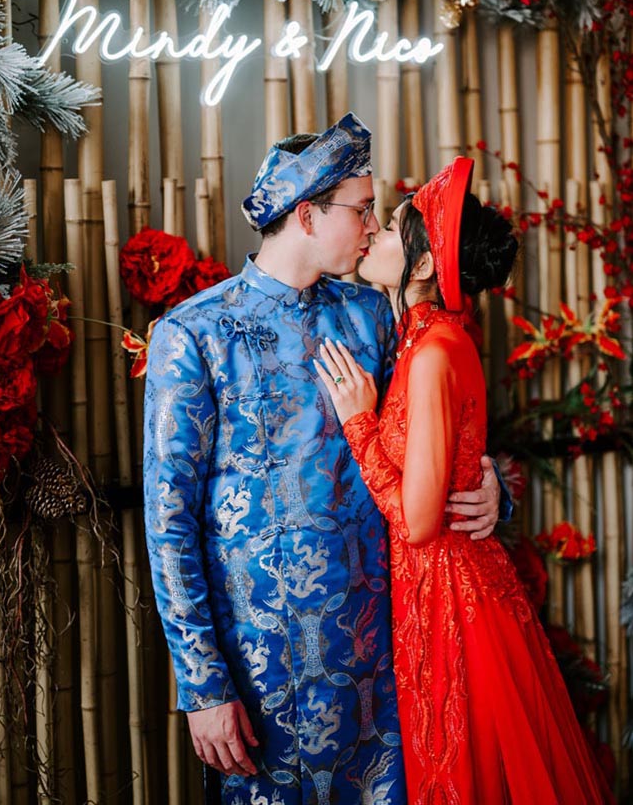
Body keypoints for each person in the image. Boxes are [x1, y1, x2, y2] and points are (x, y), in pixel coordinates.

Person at [143, 114, 506, 805]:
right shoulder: (195, 335)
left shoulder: (374, 316)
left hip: (383, 667)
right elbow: (169, 524)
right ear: (307, 215)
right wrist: (202, 683)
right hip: (259, 677)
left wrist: (493, 491)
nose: (373, 226)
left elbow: (434, 439)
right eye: (363, 209)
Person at [315, 155, 613, 804]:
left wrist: (359, 424)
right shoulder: (431, 341)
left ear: (421, 265)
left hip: (453, 596)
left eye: (390, 229)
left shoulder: (433, 353)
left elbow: (420, 520)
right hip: (439, 589)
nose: (374, 236)